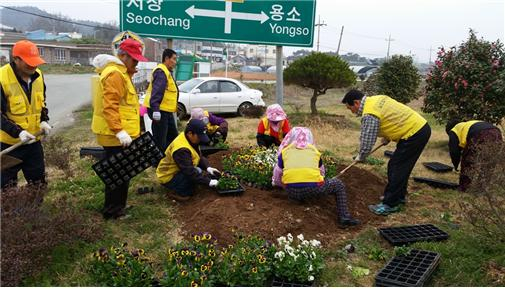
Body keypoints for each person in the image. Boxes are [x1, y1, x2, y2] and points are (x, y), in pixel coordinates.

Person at [342, 89, 431, 216]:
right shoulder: (377, 99)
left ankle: (390, 204)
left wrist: (361, 156)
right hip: (418, 128)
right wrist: (388, 136)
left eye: (349, 108)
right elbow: (393, 116)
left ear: (356, 103)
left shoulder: (369, 113)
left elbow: (367, 140)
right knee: (400, 167)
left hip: (414, 133)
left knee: (396, 167)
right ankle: (398, 198)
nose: (351, 111)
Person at [91, 38, 148, 219]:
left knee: (122, 173)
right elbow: (110, 106)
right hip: (115, 135)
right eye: (134, 59)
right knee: (117, 174)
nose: (136, 63)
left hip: (121, 134)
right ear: (122, 55)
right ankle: (113, 211)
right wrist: (119, 130)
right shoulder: (115, 73)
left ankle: (118, 206)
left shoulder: (122, 73)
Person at [272, 127, 360, 228]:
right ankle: (344, 217)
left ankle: (297, 200)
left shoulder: (285, 152)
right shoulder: (314, 151)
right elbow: (322, 172)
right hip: (312, 190)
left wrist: (281, 186)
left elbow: (277, 174)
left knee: (296, 184)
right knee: (338, 185)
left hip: (291, 191)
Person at [1, 40, 52, 189]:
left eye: (35, 62)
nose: (33, 66)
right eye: (28, 62)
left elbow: (41, 103)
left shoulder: (38, 76)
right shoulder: (2, 78)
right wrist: (18, 132)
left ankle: (34, 211)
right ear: (16, 59)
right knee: (7, 187)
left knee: (38, 183)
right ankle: (10, 212)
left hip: (33, 142)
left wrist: (43, 120)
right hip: (9, 144)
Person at [156, 119, 221, 201]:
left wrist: (208, 168)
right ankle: (175, 192)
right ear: (190, 133)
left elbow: (197, 155)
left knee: (198, 171)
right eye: (199, 136)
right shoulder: (181, 149)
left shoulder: (188, 137)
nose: (200, 139)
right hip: (168, 176)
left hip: (177, 170)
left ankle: (182, 183)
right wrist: (209, 182)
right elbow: (189, 172)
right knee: (189, 190)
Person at [445, 120, 503, 191]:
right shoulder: (468, 125)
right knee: (489, 161)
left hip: (480, 134)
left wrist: (456, 166)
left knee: (468, 161)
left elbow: (454, 151)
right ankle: (482, 188)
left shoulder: (454, 131)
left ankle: (464, 188)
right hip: (496, 132)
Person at [143, 48, 179, 152]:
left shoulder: (166, 72)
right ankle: (157, 162)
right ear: (166, 58)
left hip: (166, 111)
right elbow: (157, 92)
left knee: (173, 137)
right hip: (160, 111)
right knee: (160, 140)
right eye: (174, 59)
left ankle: (169, 158)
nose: (175, 62)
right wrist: (156, 109)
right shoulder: (161, 72)